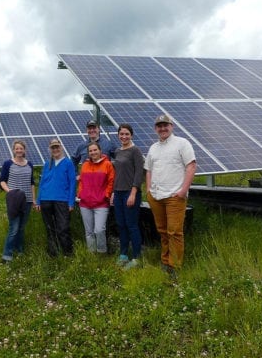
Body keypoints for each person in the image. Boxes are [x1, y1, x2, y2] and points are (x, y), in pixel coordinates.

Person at [144, 114, 196, 277]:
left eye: (165, 125)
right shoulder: (153, 148)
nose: (162, 128)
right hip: (156, 196)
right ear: (155, 129)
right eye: (159, 126)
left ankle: (175, 266)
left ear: (171, 126)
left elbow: (191, 166)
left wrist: (182, 191)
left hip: (175, 196)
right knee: (162, 231)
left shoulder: (182, 143)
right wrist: (149, 190)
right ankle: (165, 261)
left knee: (174, 232)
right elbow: (149, 170)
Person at [111, 124, 145, 270]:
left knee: (132, 225)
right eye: (121, 134)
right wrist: (113, 192)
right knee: (121, 224)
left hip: (130, 193)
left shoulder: (135, 150)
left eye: (126, 134)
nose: (124, 137)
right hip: (118, 193)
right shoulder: (117, 151)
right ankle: (123, 254)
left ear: (131, 135)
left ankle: (136, 257)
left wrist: (133, 192)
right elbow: (116, 174)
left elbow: (139, 173)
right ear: (118, 135)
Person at [35, 138, 77, 257]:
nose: (55, 149)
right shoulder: (47, 164)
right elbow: (42, 183)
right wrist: (38, 201)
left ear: (61, 147)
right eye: (53, 148)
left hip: (62, 200)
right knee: (49, 228)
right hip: (46, 200)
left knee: (63, 228)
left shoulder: (68, 163)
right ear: (50, 149)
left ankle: (68, 254)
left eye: (57, 147)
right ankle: (53, 254)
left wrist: (71, 202)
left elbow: (72, 183)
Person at [0, 139, 36, 263]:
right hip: (14, 200)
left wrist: (34, 199)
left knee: (21, 228)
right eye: (17, 148)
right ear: (13, 150)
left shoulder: (29, 164)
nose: (19, 150)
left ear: (24, 150)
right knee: (13, 228)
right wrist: (10, 192)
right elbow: (2, 181)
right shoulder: (8, 163)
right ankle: (7, 255)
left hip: (27, 201)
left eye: (21, 148)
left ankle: (19, 251)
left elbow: (31, 183)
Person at [77, 142, 115, 254]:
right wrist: (81, 194)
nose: (93, 152)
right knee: (89, 232)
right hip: (85, 203)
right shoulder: (85, 165)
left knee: (99, 230)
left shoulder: (107, 164)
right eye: (90, 151)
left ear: (100, 151)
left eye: (95, 150)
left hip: (101, 203)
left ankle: (102, 252)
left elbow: (111, 182)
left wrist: (106, 195)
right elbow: (81, 182)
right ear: (88, 153)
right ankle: (91, 253)